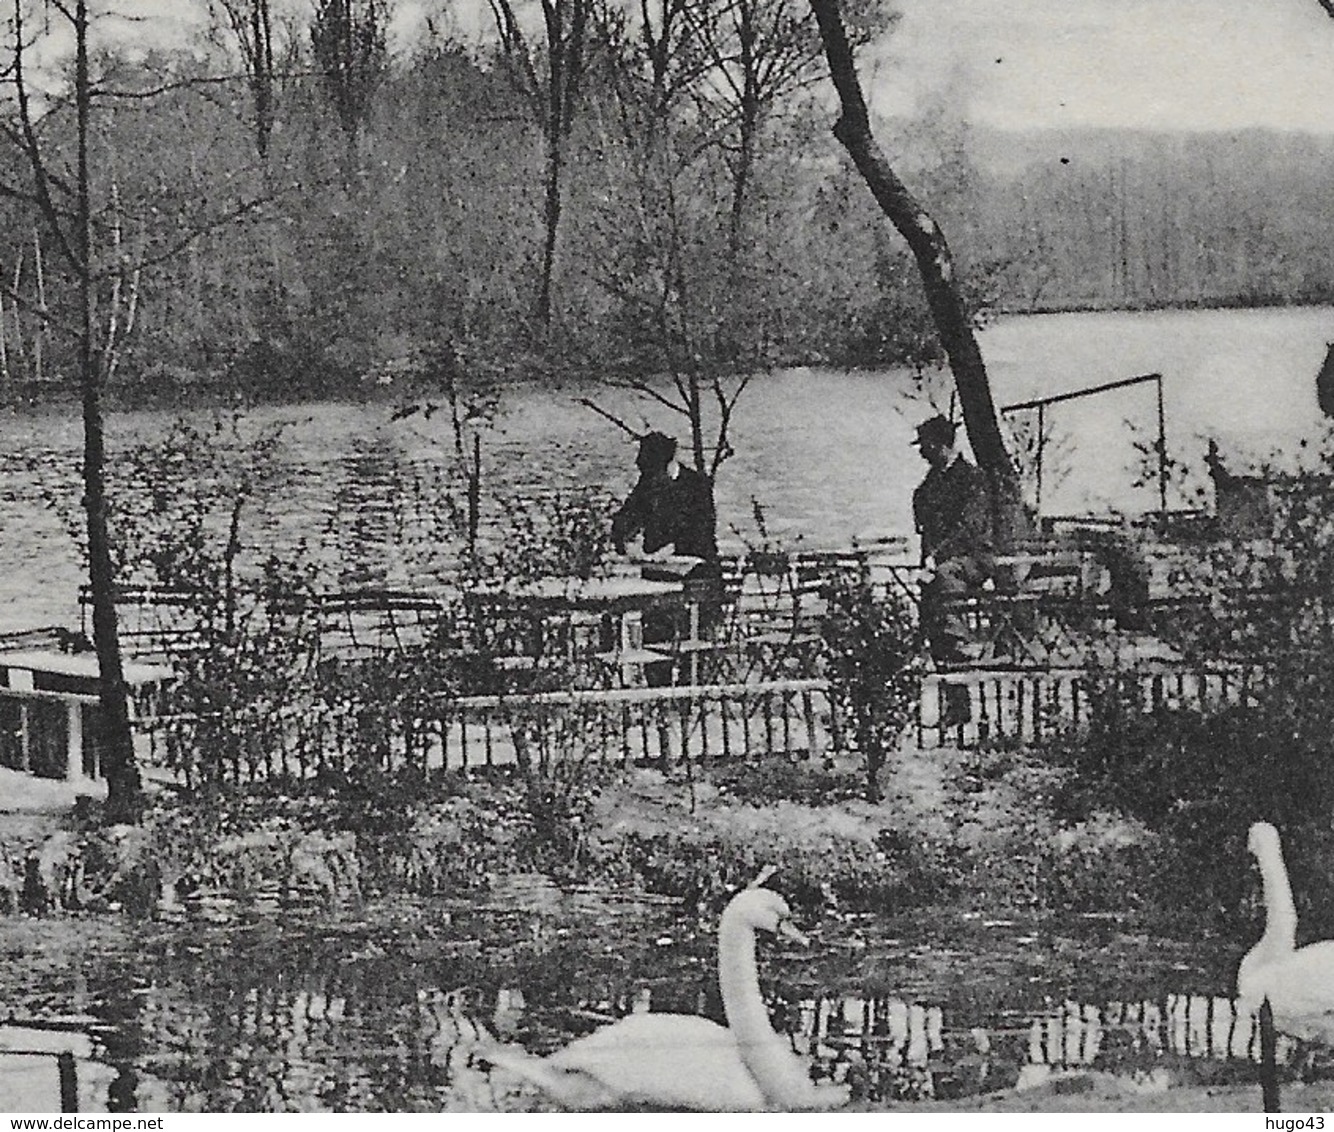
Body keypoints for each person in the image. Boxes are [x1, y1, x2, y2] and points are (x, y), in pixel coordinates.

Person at [911, 414, 995, 669]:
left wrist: (936, 557)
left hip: (975, 557)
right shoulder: (932, 480)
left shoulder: (972, 479)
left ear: (938, 444)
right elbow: (923, 512)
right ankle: (934, 645)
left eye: (925, 446)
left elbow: (968, 529)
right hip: (939, 558)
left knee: (946, 574)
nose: (922, 453)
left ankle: (960, 643)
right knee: (928, 579)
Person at [611, 432, 719, 569]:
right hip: (654, 563)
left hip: (693, 564)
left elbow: (701, 532)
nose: (645, 475)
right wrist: (622, 541)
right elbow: (627, 517)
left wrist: (668, 549)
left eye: (649, 471)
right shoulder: (648, 482)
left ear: (665, 465)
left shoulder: (696, 486)